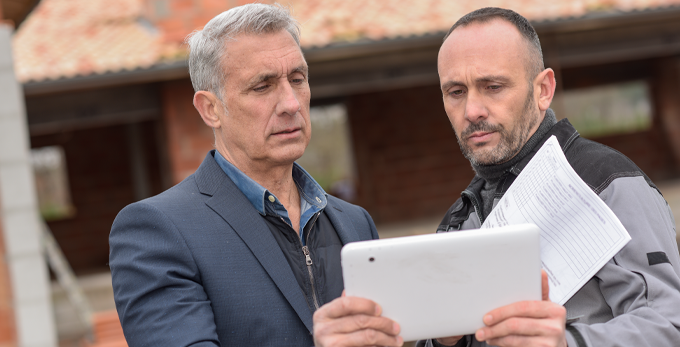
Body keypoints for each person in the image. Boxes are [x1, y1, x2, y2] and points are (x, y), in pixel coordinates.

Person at [109, 4, 402, 346]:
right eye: (263, 87)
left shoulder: (355, 223)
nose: (291, 103)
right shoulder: (157, 231)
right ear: (211, 109)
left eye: (297, 79)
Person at [421, 7, 680, 347]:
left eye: (493, 86)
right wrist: (444, 341)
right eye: (456, 92)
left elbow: (670, 324)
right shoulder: (458, 220)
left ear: (543, 89)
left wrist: (566, 343)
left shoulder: (606, 182)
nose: (472, 111)